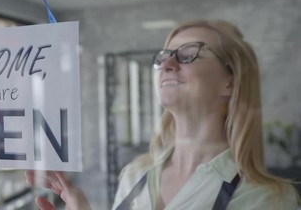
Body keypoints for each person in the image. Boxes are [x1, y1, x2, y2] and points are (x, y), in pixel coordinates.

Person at [25, 19, 300, 210]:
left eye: (189, 54)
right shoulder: (134, 175)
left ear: (230, 82)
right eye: (163, 57)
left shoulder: (269, 198)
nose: (167, 64)